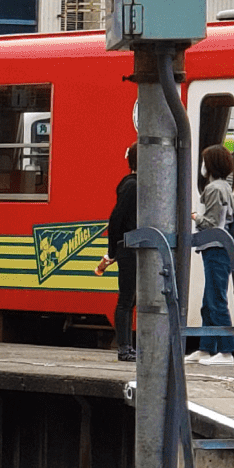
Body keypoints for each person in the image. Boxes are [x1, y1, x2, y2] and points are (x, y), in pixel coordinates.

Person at [192, 143, 234, 366]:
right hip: (220, 247)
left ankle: (226, 350)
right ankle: (206, 347)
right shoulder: (225, 187)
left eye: (204, 161)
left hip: (215, 247)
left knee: (216, 300)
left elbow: (212, 223)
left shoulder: (213, 189)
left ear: (210, 165)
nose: (202, 166)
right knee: (209, 300)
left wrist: (194, 217)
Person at [94, 143, 138, 362]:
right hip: (130, 249)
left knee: (131, 299)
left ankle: (128, 346)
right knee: (127, 299)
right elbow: (116, 219)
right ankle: (124, 347)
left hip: (132, 248)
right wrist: (113, 251)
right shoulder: (132, 186)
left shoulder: (133, 184)